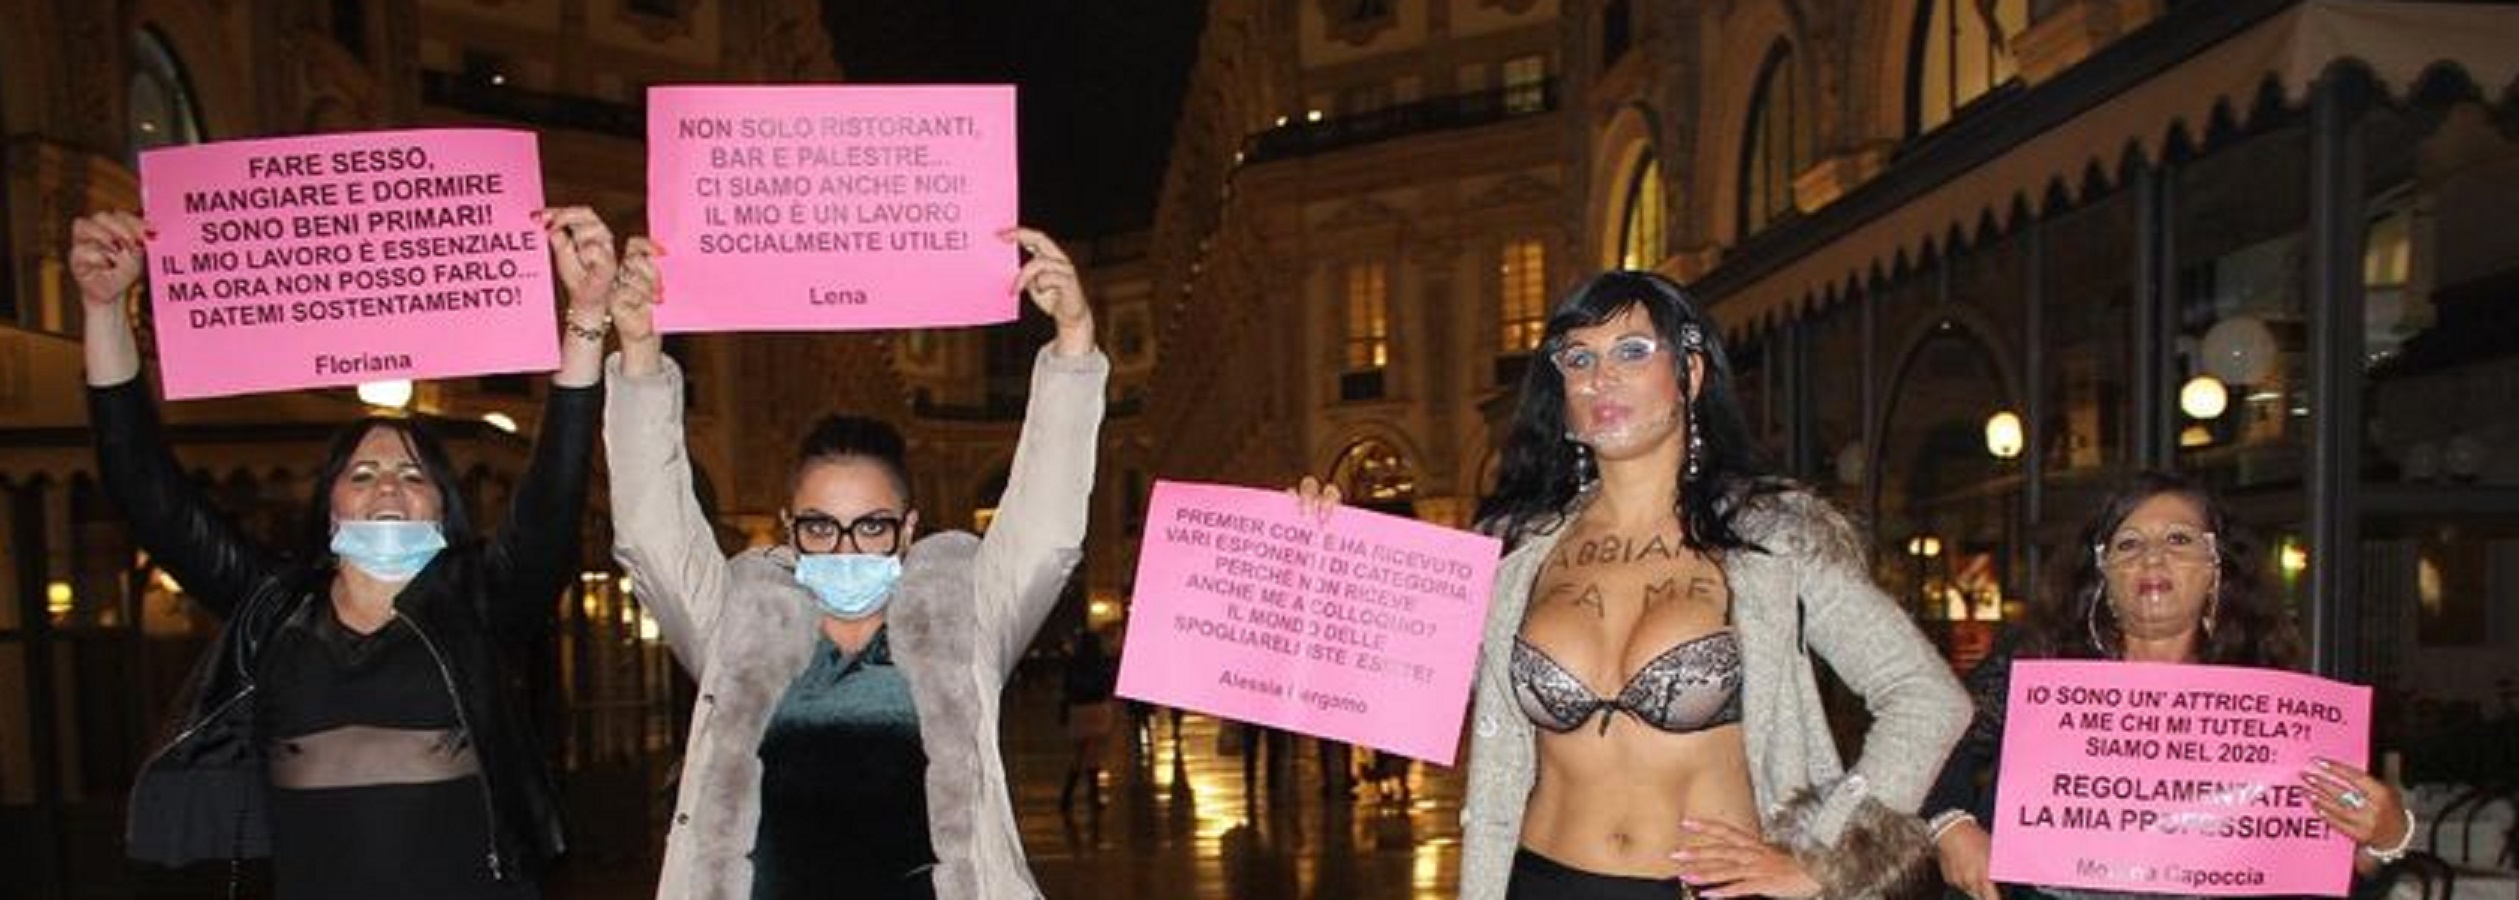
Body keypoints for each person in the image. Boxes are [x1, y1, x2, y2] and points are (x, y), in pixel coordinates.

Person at [1298, 269, 1969, 899]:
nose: (1600, 378)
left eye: (1631, 351)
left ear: (1690, 372)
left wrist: (1822, 856)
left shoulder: (1773, 543)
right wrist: (1318, 554)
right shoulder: (1515, 553)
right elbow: (1388, 675)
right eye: (1579, 358)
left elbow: (1924, 696)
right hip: (1538, 880)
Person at [76, 207, 623, 898]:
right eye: (361, 475)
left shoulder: (481, 601)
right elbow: (145, 489)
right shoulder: (270, 605)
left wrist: (586, 315)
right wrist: (102, 310)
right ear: (330, 504)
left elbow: (554, 493)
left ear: (443, 508)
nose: (387, 487)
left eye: (412, 474)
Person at [604, 228, 1104, 900]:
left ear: (907, 529)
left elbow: (1046, 529)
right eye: (819, 526)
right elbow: (651, 530)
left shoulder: (964, 621)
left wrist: (1072, 344)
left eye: (870, 526)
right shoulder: (737, 627)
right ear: (789, 530)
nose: (844, 549)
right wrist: (639, 356)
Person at [1924, 471, 2415, 900]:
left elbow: (2326, 871)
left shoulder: (2278, 707)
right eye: (2129, 543)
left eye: (2179, 540)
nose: (2152, 558)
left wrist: (2385, 837)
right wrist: (1952, 826)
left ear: (2217, 567)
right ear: (2102, 572)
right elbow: (1928, 741)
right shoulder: (2034, 666)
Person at [1059, 629, 1119, 811]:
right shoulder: (1101, 662)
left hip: (1078, 710)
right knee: (1094, 755)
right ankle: (1093, 797)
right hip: (1097, 709)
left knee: (1078, 754)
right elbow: (1109, 683)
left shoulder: (1074, 663)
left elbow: (1067, 687)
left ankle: (1067, 797)